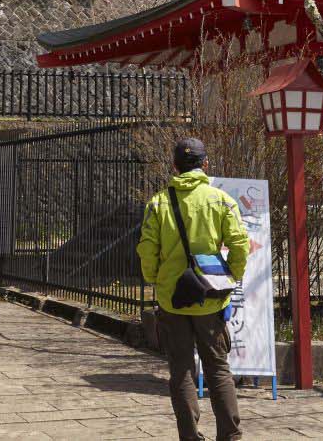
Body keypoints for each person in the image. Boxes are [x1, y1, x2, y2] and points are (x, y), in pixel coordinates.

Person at [137, 137, 249, 441]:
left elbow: (147, 249)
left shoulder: (158, 203)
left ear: (174, 166)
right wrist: (231, 278)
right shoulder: (222, 200)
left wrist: (157, 280)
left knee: (181, 370)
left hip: (172, 298)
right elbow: (240, 244)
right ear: (206, 164)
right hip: (210, 297)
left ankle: (189, 435)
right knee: (217, 368)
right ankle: (230, 435)